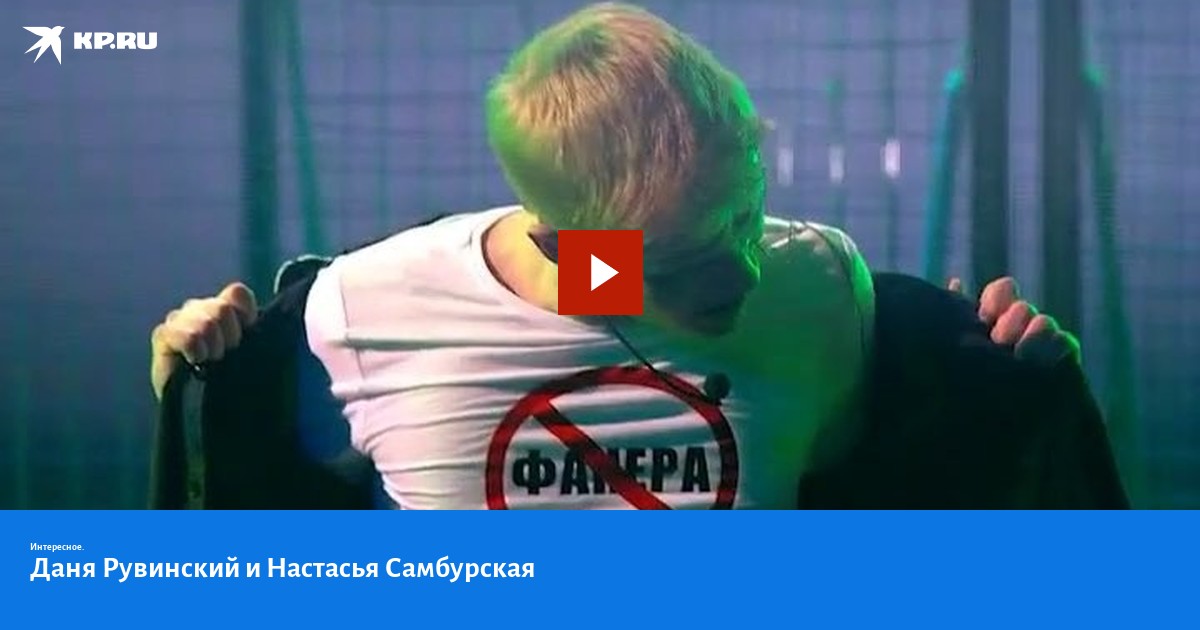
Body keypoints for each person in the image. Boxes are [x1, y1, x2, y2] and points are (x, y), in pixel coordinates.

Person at [148, 3, 1121, 510]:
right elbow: (231, 491)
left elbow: (935, 487)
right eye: (690, 254)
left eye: (746, 217)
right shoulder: (368, 310)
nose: (744, 273)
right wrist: (193, 377)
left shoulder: (820, 284)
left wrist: (994, 372)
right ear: (570, 243)